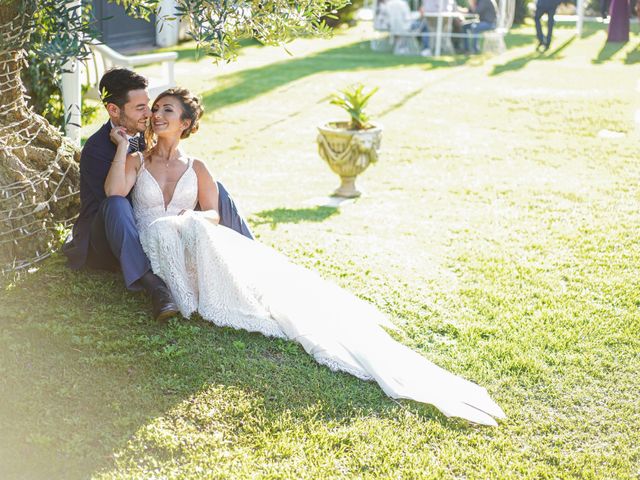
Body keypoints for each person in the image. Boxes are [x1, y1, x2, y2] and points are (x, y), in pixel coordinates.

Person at [105, 86, 506, 426]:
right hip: (155, 246)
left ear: (186, 123)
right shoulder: (138, 160)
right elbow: (113, 195)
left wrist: (185, 219)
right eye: (155, 109)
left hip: (190, 240)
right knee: (168, 227)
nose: (157, 115)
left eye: (166, 110)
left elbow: (213, 213)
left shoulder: (199, 166)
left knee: (206, 238)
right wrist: (124, 146)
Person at [62, 68, 254, 321]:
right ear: (114, 110)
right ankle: (153, 284)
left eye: (150, 106)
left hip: (158, 223)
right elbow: (117, 198)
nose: (150, 114)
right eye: (140, 107)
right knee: (117, 204)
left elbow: (167, 171)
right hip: (107, 236)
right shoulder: (97, 149)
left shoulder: (148, 134)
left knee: (216, 188)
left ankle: (252, 261)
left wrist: (187, 211)